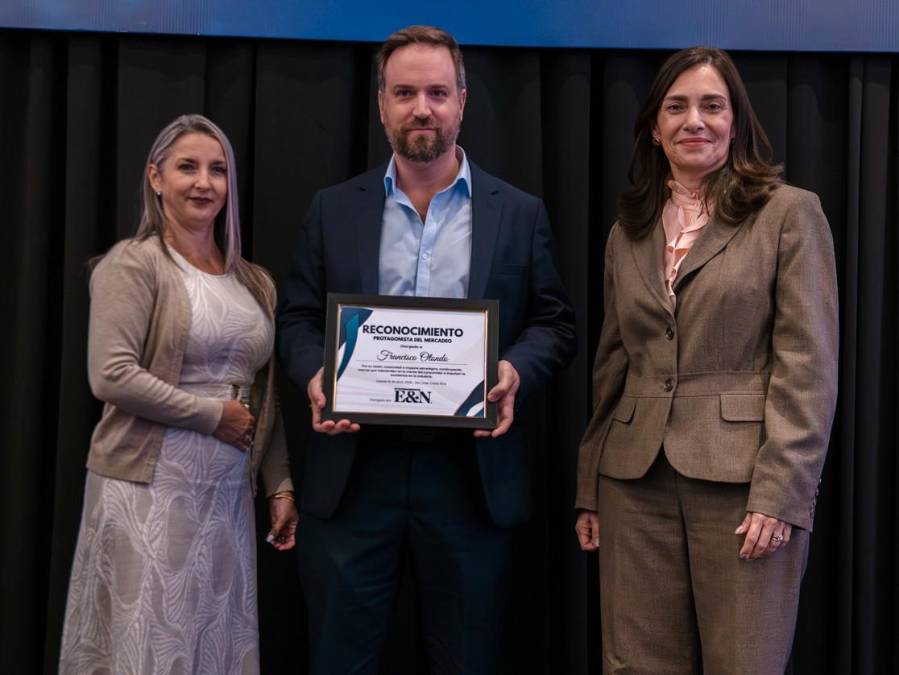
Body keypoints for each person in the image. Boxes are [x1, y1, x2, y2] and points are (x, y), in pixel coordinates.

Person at [278, 25, 576, 675]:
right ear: (381, 104)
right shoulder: (333, 209)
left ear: (462, 101)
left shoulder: (518, 212)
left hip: (470, 479)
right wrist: (317, 376)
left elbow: (554, 323)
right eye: (405, 92)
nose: (422, 108)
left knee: (469, 659)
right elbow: (296, 318)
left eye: (438, 93)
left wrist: (513, 370)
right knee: (340, 659)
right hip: (355, 475)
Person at [574, 46, 839, 674]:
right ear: (654, 127)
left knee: (745, 661)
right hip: (632, 483)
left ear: (736, 120)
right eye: (677, 107)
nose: (695, 120)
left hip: (746, 486)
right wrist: (589, 487)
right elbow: (611, 366)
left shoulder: (789, 213)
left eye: (712, 106)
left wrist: (783, 492)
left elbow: (808, 366)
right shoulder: (627, 231)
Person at [59, 114, 298, 674]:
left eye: (218, 170)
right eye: (187, 167)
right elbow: (111, 375)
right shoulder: (132, 263)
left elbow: (263, 395)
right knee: (148, 645)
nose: (204, 183)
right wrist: (212, 415)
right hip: (147, 489)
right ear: (156, 177)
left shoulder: (254, 281)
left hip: (225, 495)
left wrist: (279, 483)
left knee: (213, 643)